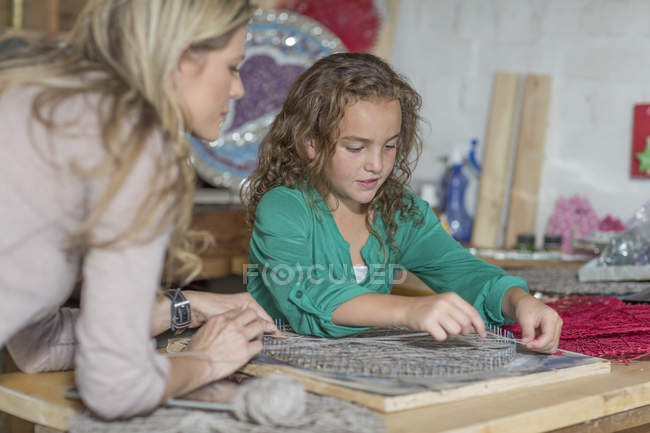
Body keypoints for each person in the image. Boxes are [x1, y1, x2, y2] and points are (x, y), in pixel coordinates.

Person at [0, 0, 278, 420]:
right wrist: (208, 359)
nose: (238, 89)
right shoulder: (131, 141)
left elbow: (36, 345)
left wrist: (185, 308)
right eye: (233, 66)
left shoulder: (46, 99)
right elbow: (114, 389)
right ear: (183, 56)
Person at [244, 52, 563, 353]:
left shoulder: (399, 210)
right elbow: (311, 295)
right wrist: (410, 309)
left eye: (389, 146)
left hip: (359, 370)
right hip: (274, 371)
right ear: (311, 143)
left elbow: (462, 271)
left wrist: (518, 300)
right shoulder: (282, 208)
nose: (377, 164)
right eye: (356, 148)